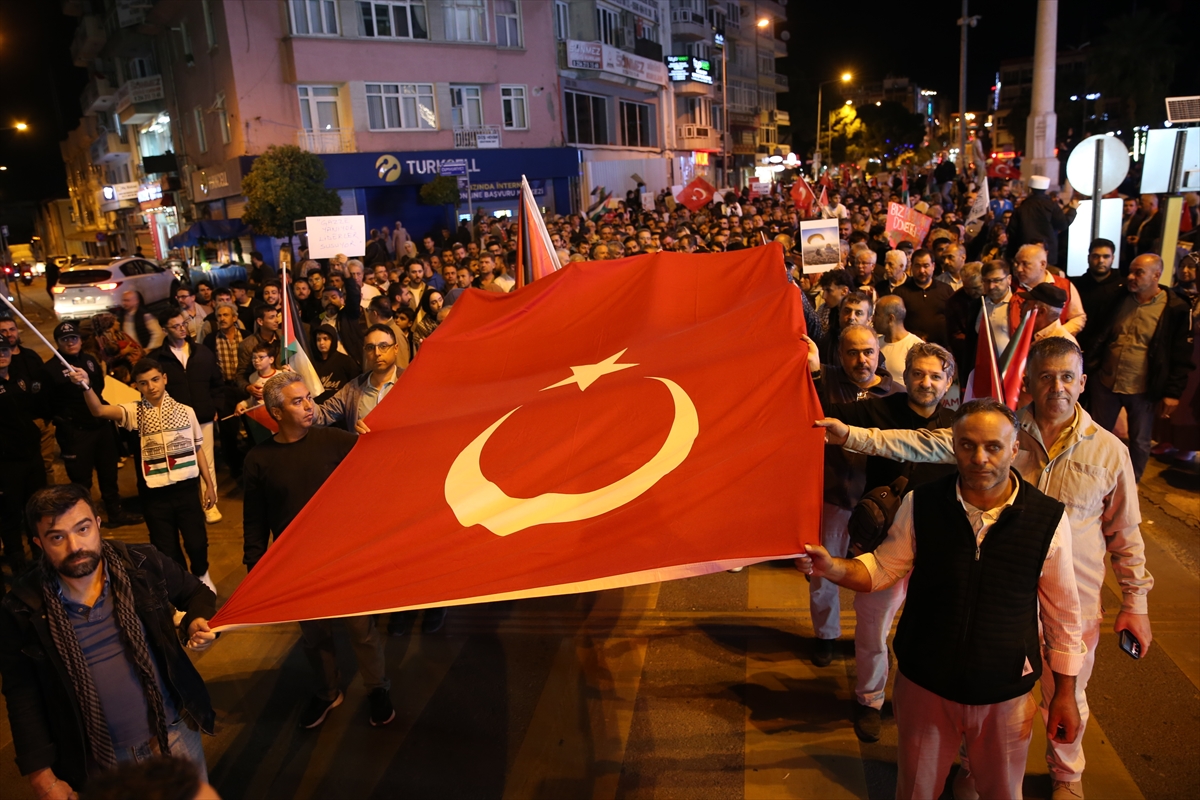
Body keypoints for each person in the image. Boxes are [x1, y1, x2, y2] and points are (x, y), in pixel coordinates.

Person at [819, 338, 1154, 799]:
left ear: (1082, 383)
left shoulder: (1110, 453)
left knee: (1067, 697)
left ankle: (1065, 776)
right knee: (979, 695)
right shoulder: (994, 431)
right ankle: (972, 767)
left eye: (1066, 376)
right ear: (1031, 382)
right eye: (1045, 376)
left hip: (1069, 601)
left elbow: (1126, 536)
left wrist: (1135, 602)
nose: (1056, 386)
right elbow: (917, 443)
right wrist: (848, 434)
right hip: (998, 607)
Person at [802, 398, 1085, 799]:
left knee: (1003, 793)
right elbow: (882, 568)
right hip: (925, 689)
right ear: (954, 446)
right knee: (917, 790)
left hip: (1005, 697)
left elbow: (1064, 617)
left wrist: (1066, 696)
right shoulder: (921, 504)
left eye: (993, 447)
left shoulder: (1048, 519)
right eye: (967, 445)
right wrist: (831, 567)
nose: (979, 458)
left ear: (1014, 449)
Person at [0, 484, 217, 797]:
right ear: (39, 543)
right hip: (97, 760)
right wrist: (41, 776)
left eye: (83, 528)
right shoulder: (21, 607)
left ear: (98, 524)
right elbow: (22, 693)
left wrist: (197, 621)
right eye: (57, 537)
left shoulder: (141, 564)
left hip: (173, 737)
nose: (75, 546)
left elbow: (196, 593)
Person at [820, 343, 958, 743]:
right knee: (872, 629)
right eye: (918, 374)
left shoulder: (958, 425)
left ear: (948, 381)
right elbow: (822, 415)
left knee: (932, 631)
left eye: (935, 376)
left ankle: (921, 699)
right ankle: (869, 700)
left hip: (937, 548)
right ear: (905, 375)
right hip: (882, 545)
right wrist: (812, 373)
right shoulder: (877, 410)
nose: (926, 383)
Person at [241, 372, 394, 728]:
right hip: (297, 564)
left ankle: (377, 689)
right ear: (276, 413)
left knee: (362, 630)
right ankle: (328, 692)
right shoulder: (259, 460)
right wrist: (255, 565)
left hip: (344, 556)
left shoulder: (334, 441)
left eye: (309, 398)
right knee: (315, 636)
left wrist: (375, 440)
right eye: (298, 401)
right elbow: (255, 519)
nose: (310, 406)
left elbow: (378, 467)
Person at [68, 358, 218, 594]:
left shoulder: (186, 412)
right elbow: (98, 410)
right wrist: (86, 386)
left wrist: (209, 484)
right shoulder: (133, 412)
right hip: (154, 494)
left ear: (165, 378)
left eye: (156, 379)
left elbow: (197, 448)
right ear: (136, 386)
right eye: (144, 383)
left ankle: (201, 574)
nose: (152, 387)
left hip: (187, 489)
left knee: (196, 541)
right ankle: (181, 589)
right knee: (165, 547)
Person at [804, 324, 901, 667]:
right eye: (852, 352)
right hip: (833, 498)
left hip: (881, 506)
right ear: (839, 354)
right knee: (823, 573)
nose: (861, 360)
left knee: (878, 580)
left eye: (868, 352)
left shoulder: (897, 396)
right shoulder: (823, 381)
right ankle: (826, 636)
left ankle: (871, 640)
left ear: (879, 352)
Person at [1088, 254, 1195, 481]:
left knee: (1139, 440)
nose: (1131, 277)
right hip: (1106, 381)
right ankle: (1095, 481)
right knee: (1097, 434)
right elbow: (1099, 334)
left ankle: (1130, 485)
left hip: (1144, 387)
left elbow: (1180, 355)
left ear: (1156, 275)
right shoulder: (1118, 298)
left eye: (1139, 273)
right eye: (1131, 271)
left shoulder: (1174, 307)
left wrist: (1172, 393)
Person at [43, 321, 142, 528]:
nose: (70, 342)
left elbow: (99, 387)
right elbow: (48, 403)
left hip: (100, 427)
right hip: (75, 433)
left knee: (109, 473)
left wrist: (87, 382)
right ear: (58, 343)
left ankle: (115, 513)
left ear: (80, 340)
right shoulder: (51, 369)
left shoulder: (89, 361)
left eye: (74, 338)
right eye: (65, 339)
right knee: (81, 482)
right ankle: (85, 521)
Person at [153, 311, 226, 524]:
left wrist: (215, 407)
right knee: (181, 463)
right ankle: (188, 507)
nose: (182, 328)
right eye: (175, 326)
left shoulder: (202, 353)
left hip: (203, 417)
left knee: (208, 463)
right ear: (164, 330)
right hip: (173, 421)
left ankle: (210, 504)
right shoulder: (157, 358)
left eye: (184, 323)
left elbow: (217, 382)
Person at [0, 337, 46, 571]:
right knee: (10, 512)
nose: (2, 354)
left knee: (35, 507)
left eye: (5, 349)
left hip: (31, 455)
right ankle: (17, 562)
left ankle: (40, 555)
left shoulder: (19, 377)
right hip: (7, 462)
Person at [314, 325, 402, 434]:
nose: (377, 353)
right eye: (370, 347)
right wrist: (300, 390)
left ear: (395, 349)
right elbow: (322, 415)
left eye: (383, 346)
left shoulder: (410, 382)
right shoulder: (353, 389)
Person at [201, 303, 246, 479]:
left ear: (235, 318)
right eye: (219, 316)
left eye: (226, 315)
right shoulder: (211, 339)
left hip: (244, 387)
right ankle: (235, 468)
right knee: (228, 431)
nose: (222, 319)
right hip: (225, 389)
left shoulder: (246, 336)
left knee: (251, 427)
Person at [1011, 243, 1086, 337]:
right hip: (1018, 346)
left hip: (1052, 346)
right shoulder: (1010, 287)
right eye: (1017, 263)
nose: (1019, 269)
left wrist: (1055, 335)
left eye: (1025, 264)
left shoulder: (1064, 285)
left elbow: (1078, 317)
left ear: (1042, 264)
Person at [1071, 238, 1126, 358]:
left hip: (1109, 350)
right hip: (1079, 347)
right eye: (1096, 256)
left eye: (1106, 256)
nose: (1101, 261)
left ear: (1113, 258)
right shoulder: (1076, 285)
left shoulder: (1123, 288)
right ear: (1088, 258)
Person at [1006, 175, 1076, 266]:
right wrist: (1072, 210)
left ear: (1030, 189)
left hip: (1026, 254)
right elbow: (1063, 224)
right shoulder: (1052, 206)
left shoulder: (1021, 208)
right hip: (1048, 255)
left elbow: (1012, 233)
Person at [894, 248, 956, 346]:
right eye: (917, 266)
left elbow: (954, 320)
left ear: (933, 266)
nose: (922, 271)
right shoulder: (900, 292)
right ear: (911, 267)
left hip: (942, 347)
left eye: (926, 266)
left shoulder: (946, 290)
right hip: (910, 347)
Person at [873, 295, 924, 385]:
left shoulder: (916, 346)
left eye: (876, 314)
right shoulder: (874, 343)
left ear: (890, 318)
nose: (873, 319)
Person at [310, 324, 359, 403]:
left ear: (333, 340)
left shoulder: (346, 361)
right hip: (317, 409)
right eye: (318, 339)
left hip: (340, 408)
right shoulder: (311, 363)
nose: (321, 343)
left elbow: (356, 386)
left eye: (325, 339)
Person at [365, 296, 411, 370]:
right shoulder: (378, 331)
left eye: (368, 310)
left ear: (374, 313)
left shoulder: (396, 334)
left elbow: (401, 367)